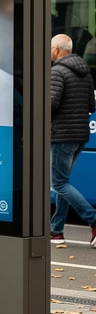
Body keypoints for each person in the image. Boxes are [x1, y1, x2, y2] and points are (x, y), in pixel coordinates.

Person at [49, 34, 96, 246]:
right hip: (80, 137)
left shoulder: (57, 71)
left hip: (62, 135)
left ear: (58, 51)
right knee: (63, 183)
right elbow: (91, 107)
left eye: (50, 48)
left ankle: (93, 220)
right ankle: (56, 230)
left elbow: (50, 104)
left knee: (57, 183)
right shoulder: (85, 72)